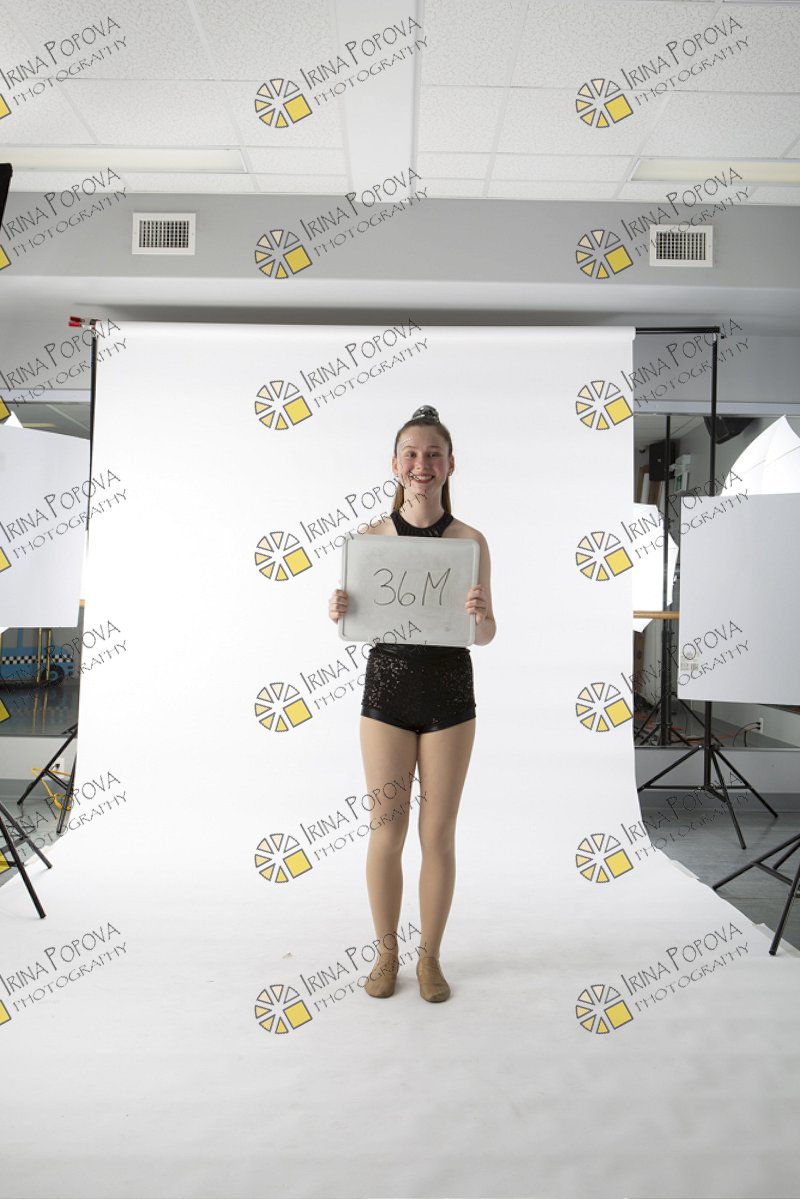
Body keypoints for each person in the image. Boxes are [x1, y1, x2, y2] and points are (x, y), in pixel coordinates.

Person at [328, 405, 496, 1003]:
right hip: (387, 693)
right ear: (395, 464)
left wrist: (482, 615)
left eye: (433, 454)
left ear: (450, 464)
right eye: (411, 453)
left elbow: (486, 635)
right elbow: (355, 625)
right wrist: (341, 612)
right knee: (386, 832)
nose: (422, 464)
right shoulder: (369, 540)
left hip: (450, 693)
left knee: (438, 834)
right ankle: (386, 953)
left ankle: (430, 956)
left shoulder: (469, 541)